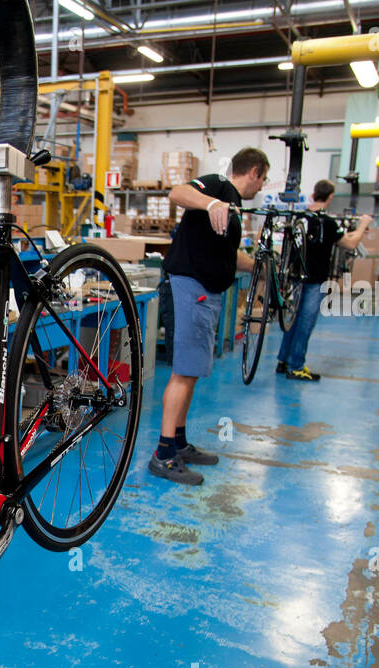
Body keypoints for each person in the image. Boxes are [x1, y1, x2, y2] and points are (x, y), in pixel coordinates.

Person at [149, 147, 269, 486]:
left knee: (191, 373)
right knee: (182, 373)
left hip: (205, 293)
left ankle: (178, 442)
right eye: (263, 179)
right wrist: (213, 203)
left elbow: (229, 254)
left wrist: (260, 267)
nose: (262, 186)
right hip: (189, 289)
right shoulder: (219, 185)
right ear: (254, 172)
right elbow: (177, 193)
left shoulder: (233, 206)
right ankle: (163, 455)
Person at [276, 180, 372, 381]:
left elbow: (336, 237)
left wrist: (353, 232)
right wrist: (363, 225)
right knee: (305, 322)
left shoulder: (300, 218)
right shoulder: (327, 222)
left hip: (295, 276)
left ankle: (283, 360)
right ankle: (296, 366)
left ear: (313, 194)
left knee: (293, 318)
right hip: (314, 279)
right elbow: (350, 244)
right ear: (330, 197)